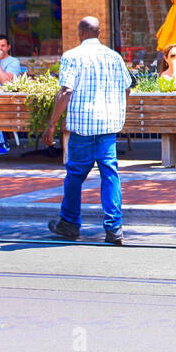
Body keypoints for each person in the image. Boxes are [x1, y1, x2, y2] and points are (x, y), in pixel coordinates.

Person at [43, 16, 132, 246]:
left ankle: (70, 223)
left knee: (74, 176)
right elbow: (127, 88)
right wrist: (116, 110)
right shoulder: (114, 57)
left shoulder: (72, 56)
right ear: (99, 32)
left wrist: (52, 123)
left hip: (83, 126)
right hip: (108, 126)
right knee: (110, 174)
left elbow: (65, 91)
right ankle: (114, 228)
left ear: (81, 33)